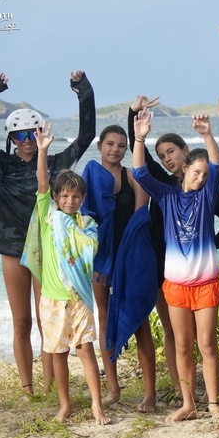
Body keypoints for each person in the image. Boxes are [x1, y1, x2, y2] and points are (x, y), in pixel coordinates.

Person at [0, 71, 96, 395]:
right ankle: (28, 389)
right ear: (11, 137)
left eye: (31, 133)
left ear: (40, 133)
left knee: (45, 321)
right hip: (12, 249)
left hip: (47, 252)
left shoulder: (56, 163)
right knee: (22, 323)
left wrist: (82, 89)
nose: (26, 139)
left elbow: (86, 135)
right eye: (20, 134)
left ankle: (51, 387)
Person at [127, 95, 219, 404]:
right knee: (180, 345)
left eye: (204, 175)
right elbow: (139, 173)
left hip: (204, 285)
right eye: (196, 172)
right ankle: (189, 404)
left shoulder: (207, 196)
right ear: (186, 168)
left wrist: (207, 133)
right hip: (175, 285)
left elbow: (218, 165)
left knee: (207, 345)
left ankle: (214, 404)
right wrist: (138, 139)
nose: (201, 177)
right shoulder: (166, 196)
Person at [20, 122, 109, 424]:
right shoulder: (49, 218)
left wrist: (77, 230)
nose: (70, 201)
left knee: (85, 349)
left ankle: (97, 405)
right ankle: (65, 405)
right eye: (65, 196)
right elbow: (42, 183)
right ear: (57, 197)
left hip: (80, 297)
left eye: (76, 197)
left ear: (82, 199)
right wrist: (42, 151)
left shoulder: (88, 224)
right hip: (53, 298)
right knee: (57, 353)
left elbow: (90, 248)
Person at [81, 125, 157, 411]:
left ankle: (150, 393)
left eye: (121, 145)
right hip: (101, 259)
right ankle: (113, 388)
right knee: (104, 319)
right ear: (100, 146)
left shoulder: (131, 176)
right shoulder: (90, 175)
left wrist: (130, 254)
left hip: (131, 256)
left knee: (140, 322)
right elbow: (79, 211)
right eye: (110, 144)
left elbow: (141, 216)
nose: (115, 149)